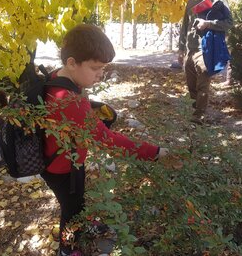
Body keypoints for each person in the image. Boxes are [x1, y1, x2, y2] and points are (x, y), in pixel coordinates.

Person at [41, 24, 169, 256]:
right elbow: (109, 141)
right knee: (71, 209)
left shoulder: (57, 79)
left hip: (57, 158)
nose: (101, 74)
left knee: (77, 203)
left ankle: (82, 229)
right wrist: (156, 152)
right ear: (72, 63)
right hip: (63, 168)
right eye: (95, 68)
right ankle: (68, 250)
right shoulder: (69, 100)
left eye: (102, 68)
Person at [178, 0, 233, 124]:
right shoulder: (191, 2)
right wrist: (180, 49)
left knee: (202, 85)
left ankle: (199, 117)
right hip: (190, 50)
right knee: (191, 85)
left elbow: (229, 23)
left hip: (206, 48)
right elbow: (185, 26)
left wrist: (208, 24)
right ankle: (196, 110)